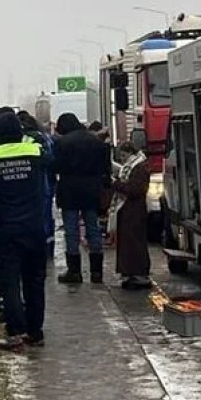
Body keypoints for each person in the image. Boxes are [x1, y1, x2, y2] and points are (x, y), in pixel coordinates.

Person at [0, 109, 47, 349]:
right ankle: (35, 332)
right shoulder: (34, 150)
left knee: (10, 281)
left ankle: (16, 332)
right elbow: (51, 162)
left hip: (6, 230)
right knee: (35, 281)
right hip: (34, 227)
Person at [53, 112, 111, 284]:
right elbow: (105, 169)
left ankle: (74, 272)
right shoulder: (96, 142)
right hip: (91, 191)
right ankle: (96, 272)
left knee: (71, 231)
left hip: (69, 192)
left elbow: (56, 166)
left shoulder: (61, 143)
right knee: (93, 229)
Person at [110, 142, 152, 289]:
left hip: (133, 211)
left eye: (123, 155)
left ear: (130, 153)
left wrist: (115, 184)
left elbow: (135, 189)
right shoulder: (135, 166)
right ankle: (132, 274)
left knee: (133, 243)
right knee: (130, 242)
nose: (122, 159)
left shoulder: (138, 168)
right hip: (130, 211)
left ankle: (137, 274)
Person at [19, 110, 57, 261]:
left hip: (34, 183)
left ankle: (34, 249)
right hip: (47, 182)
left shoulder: (25, 140)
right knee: (46, 216)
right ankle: (48, 249)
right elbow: (51, 159)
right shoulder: (45, 138)